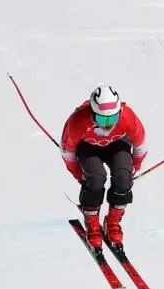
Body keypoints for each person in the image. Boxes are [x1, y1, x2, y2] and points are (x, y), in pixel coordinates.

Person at [60, 85, 147, 249]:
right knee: (96, 179)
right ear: (92, 113)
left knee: (123, 180)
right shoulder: (78, 121)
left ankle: (112, 222)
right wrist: (78, 174)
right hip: (88, 147)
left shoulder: (127, 117)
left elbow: (141, 144)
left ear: (119, 111)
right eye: (102, 120)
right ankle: (92, 222)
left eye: (112, 119)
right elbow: (67, 152)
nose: (107, 125)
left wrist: (134, 166)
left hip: (117, 144)